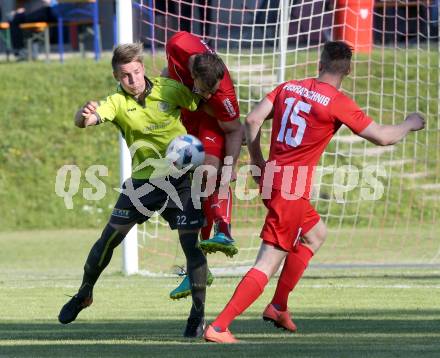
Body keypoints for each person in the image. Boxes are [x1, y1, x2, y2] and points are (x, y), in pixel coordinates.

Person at [204, 41, 425, 343]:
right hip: (291, 189)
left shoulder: (288, 87)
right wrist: (410, 123)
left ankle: (278, 306)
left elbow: (253, 120)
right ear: (348, 68)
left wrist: (257, 162)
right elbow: (384, 138)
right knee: (268, 261)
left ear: (320, 63)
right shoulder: (336, 101)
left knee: (316, 233)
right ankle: (219, 326)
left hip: (274, 180)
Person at [58, 43, 208, 338]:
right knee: (107, 240)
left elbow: (204, 104)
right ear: (117, 76)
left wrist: (230, 134)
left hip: (182, 180)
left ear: (143, 69)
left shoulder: (169, 90)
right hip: (143, 183)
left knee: (192, 246)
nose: (133, 79)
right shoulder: (115, 102)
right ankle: (84, 293)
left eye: (137, 72)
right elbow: (85, 121)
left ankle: (198, 316)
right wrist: (82, 114)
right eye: (125, 75)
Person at [164, 31, 243, 300]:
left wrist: (231, 166)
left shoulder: (223, 94)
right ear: (194, 74)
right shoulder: (177, 44)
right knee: (188, 195)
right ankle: (195, 269)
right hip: (184, 120)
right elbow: (170, 67)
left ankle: (224, 230)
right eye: (204, 90)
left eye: (213, 91)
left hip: (210, 125)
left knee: (208, 173)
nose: (209, 95)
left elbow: (234, 130)